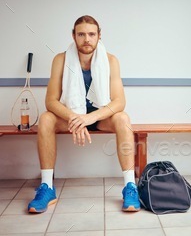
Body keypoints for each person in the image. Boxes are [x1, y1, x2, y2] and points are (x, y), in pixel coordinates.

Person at [27, 15, 140, 213]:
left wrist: (89, 118)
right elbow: (51, 101)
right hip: (70, 116)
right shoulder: (61, 59)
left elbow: (119, 101)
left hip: (100, 118)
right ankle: (47, 187)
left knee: (123, 118)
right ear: (73, 36)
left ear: (99, 36)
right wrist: (75, 118)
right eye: (81, 34)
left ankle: (130, 187)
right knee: (46, 118)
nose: (86, 39)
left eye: (91, 34)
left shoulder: (111, 60)